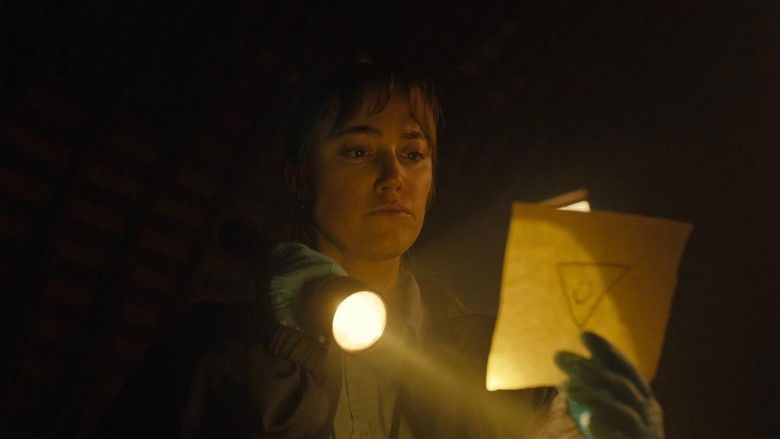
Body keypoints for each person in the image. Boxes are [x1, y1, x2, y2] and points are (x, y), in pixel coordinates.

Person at [94, 62, 663, 438]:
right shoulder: (213, 346)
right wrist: (279, 351)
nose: (393, 178)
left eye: (413, 155)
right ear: (299, 176)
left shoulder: (491, 362)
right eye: (358, 152)